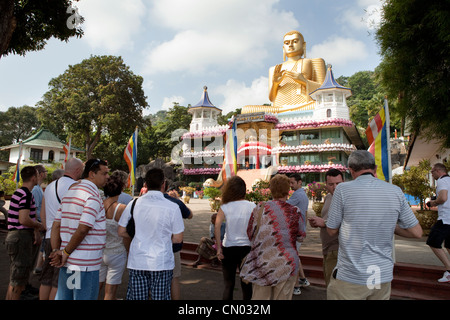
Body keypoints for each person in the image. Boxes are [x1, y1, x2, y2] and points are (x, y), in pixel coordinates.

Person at [326, 150, 423, 300]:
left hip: (352, 275)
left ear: (351, 170)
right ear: (375, 169)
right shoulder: (395, 191)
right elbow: (417, 233)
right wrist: (391, 226)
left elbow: (331, 230)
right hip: (380, 275)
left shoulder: (342, 190)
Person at [118, 168, 184, 300]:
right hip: (162, 261)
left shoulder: (134, 203)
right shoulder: (172, 207)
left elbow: (121, 231)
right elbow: (178, 238)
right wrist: (162, 238)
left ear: (145, 184)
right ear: (163, 184)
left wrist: (139, 237)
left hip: (138, 260)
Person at [50, 158, 109, 300]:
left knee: (67, 297)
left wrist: (56, 251)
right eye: (104, 173)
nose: (108, 177)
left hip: (70, 262)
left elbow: (56, 225)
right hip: (86, 264)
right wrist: (64, 252)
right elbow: (83, 229)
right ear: (92, 174)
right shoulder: (92, 196)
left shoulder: (70, 193)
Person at [240, 174, 305, 300]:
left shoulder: (260, 208)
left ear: (271, 189)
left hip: (263, 263)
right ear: (288, 190)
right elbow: (301, 236)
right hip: (287, 263)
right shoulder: (295, 211)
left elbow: (250, 233)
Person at [39, 158, 84, 300]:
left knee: (46, 279)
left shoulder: (50, 186)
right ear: (78, 170)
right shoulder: (76, 186)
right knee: (60, 282)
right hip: (65, 240)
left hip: (48, 236)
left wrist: (48, 230)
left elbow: (43, 214)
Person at [5, 166, 45, 300]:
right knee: (19, 277)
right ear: (33, 177)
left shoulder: (19, 192)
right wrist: (39, 225)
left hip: (16, 236)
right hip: (20, 236)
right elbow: (24, 219)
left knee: (16, 276)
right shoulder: (26, 194)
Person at [215, 176, 255, 300]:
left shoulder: (225, 206)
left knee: (228, 285)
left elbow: (217, 226)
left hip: (229, 247)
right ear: (243, 190)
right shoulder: (252, 206)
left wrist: (218, 248)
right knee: (247, 285)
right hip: (247, 248)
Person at [268, 30, 325, 108]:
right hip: (279, 107)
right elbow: (271, 98)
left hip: (303, 105)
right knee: (247, 109)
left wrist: (304, 81)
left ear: (303, 45)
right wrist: (275, 84)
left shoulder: (313, 62)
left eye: (295, 41)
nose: (290, 45)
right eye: (287, 43)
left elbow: (325, 90)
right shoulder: (274, 69)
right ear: (283, 48)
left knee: (321, 106)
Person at [308, 168, 343, 286]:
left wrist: (325, 223)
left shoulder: (347, 199)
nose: (335, 187)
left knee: (335, 288)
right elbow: (326, 219)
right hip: (326, 249)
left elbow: (350, 222)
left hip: (338, 249)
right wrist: (317, 223)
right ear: (326, 185)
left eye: (338, 183)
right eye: (331, 184)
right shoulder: (328, 197)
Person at [99, 174, 128, 300]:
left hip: (100, 251)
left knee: (96, 287)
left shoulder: (99, 205)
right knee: (110, 292)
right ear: (121, 189)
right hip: (117, 252)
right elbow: (125, 233)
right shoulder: (122, 208)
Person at [163, 179, 193, 300]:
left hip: (149, 248)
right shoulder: (175, 203)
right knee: (174, 277)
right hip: (172, 247)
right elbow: (190, 215)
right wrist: (178, 201)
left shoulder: (139, 203)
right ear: (165, 186)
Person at [426, 163, 450, 282]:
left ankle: (449, 271)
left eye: (432, 172)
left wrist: (432, 203)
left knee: (433, 242)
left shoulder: (441, 181)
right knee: (449, 245)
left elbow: (443, 198)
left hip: (445, 218)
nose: (432, 174)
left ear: (438, 171)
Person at [287, 173, 309, 294]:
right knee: (296, 256)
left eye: (292, 183)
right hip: (300, 230)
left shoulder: (297, 195)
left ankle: (296, 287)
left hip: (296, 231)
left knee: (293, 258)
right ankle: (303, 279)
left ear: (299, 182)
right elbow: (305, 213)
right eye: (289, 183)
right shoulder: (303, 194)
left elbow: (284, 207)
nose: (290, 185)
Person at [31, 165, 47, 275]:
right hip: (38, 224)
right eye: (45, 171)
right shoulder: (36, 189)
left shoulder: (39, 188)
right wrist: (38, 225)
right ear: (41, 174)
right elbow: (34, 210)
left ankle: (38, 266)